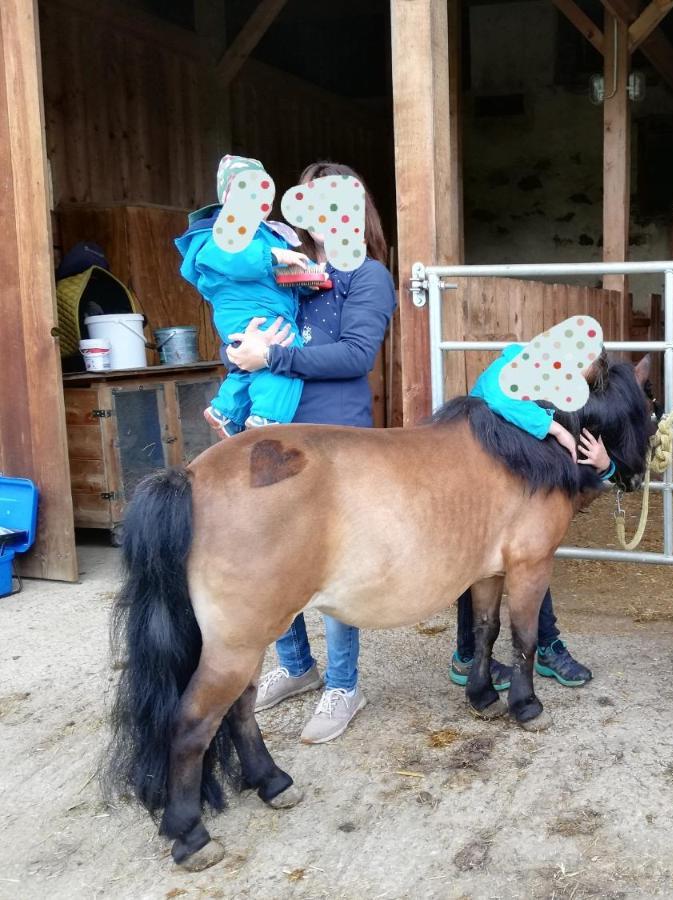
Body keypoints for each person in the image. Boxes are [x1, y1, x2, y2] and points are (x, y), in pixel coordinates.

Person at [227, 161, 395, 744]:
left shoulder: (367, 275)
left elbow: (355, 355)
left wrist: (272, 359)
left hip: (335, 436)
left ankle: (344, 683)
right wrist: (243, 362)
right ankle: (298, 666)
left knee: (329, 558)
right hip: (274, 426)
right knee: (277, 552)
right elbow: (255, 325)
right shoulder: (285, 270)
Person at [447, 340, 608, 692]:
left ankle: (542, 644)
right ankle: (468, 654)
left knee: (531, 554)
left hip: (506, 471)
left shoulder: (551, 383)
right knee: (483, 560)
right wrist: (557, 429)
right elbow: (499, 399)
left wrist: (605, 467)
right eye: (570, 373)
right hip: (479, 466)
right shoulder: (523, 361)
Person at [176, 154, 313, 435]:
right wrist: (273, 254)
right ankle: (268, 419)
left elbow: (278, 275)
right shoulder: (221, 232)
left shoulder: (266, 234)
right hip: (249, 309)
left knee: (254, 365)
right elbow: (232, 256)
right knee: (283, 354)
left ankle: (225, 411)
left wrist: (307, 277)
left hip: (259, 308)